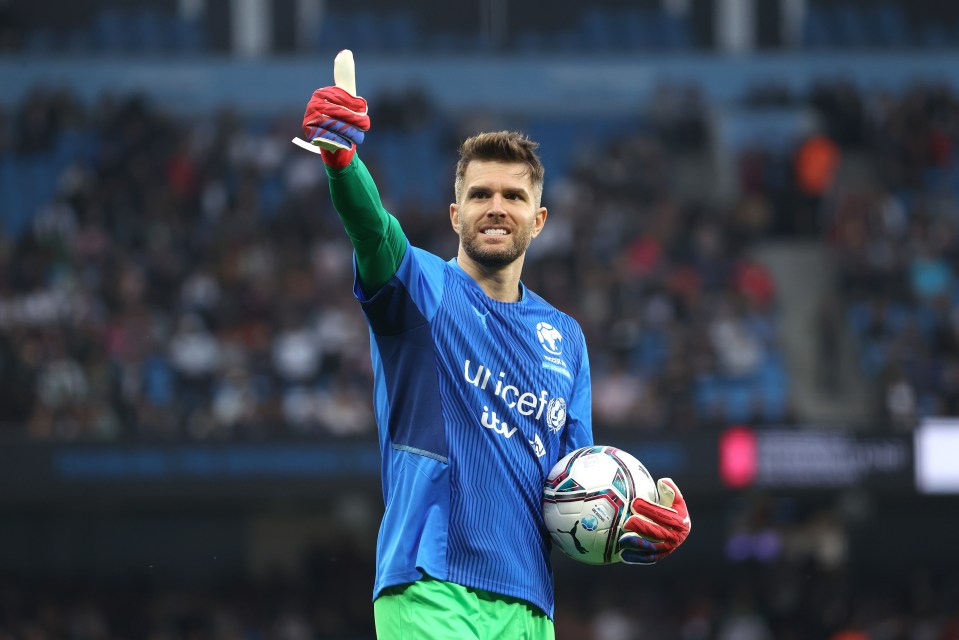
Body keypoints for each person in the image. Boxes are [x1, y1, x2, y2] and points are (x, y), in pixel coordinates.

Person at [298, 50, 691, 639]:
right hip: (430, 582)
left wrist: (633, 528)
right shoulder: (420, 287)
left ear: (540, 220)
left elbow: (572, 491)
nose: (497, 208)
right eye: (481, 195)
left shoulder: (567, 339)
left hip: (530, 607)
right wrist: (342, 161)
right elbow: (370, 226)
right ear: (456, 213)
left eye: (514, 196)